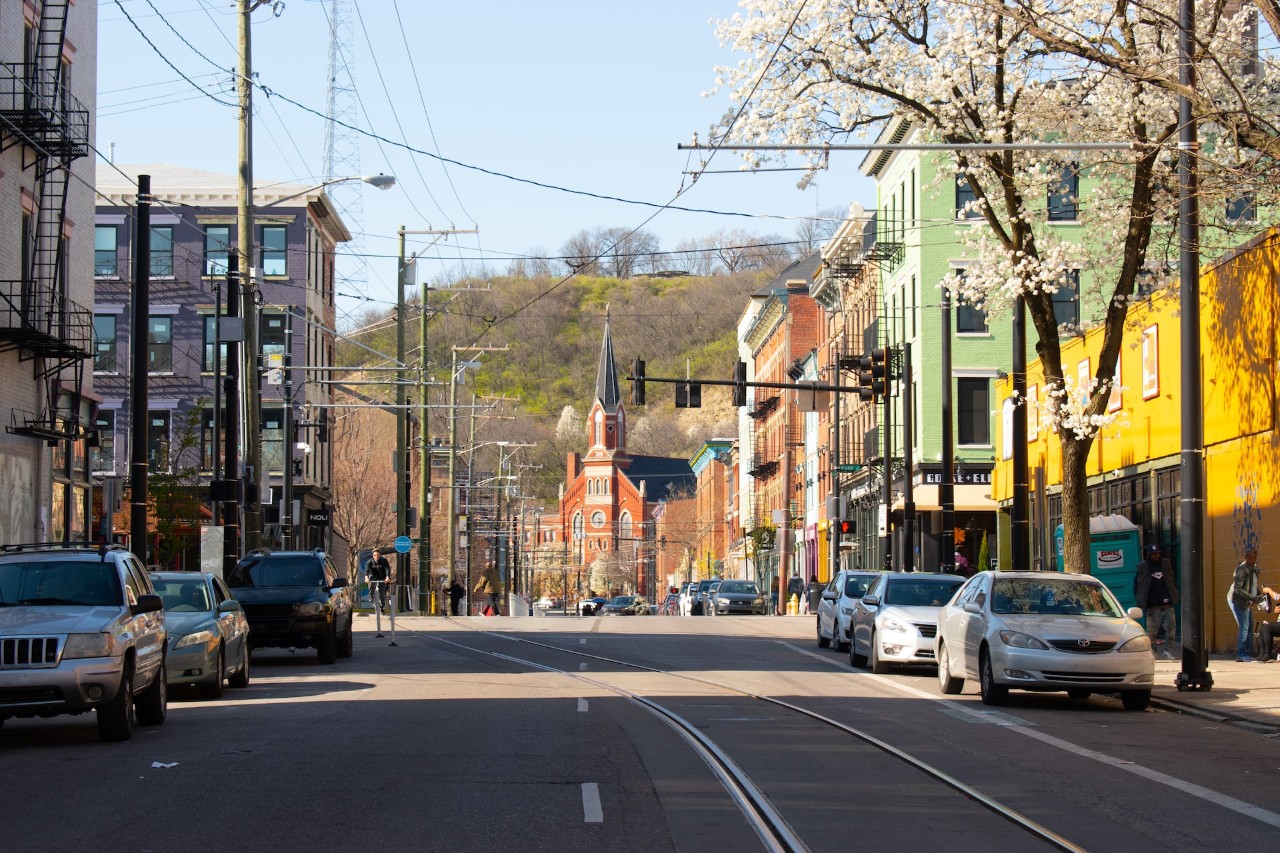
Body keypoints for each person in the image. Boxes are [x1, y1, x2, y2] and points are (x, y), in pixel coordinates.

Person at [1228, 546, 1274, 662]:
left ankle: (1248, 653)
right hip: (1237, 600)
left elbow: (1252, 586)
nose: (1253, 560)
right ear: (1246, 557)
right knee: (1244, 627)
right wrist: (1252, 598)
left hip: (1248, 600)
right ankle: (1241, 654)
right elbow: (1238, 589)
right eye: (1251, 558)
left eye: (1255, 558)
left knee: (1249, 626)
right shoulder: (1242, 570)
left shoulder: (1254, 568)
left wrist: (1258, 598)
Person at [1134, 543, 1179, 659]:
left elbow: (1172, 581)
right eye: (1153, 554)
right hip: (1152, 606)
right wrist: (1141, 599)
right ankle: (1153, 652)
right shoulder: (1143, 567)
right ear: (1149, 555)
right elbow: (1137, 585)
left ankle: (1168, 651)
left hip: (1167, 604)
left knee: (1171, 629)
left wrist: (1174, 594)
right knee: (1151, 633)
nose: (1155, 556)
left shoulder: (1165, 564)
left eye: (1157, 553)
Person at [367, 548, 391, 614]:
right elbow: (367, 571)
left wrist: (387, 577)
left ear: (380, 555)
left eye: (378, 555)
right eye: (375, 555)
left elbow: (387, 569)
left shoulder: (384, 561)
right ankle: (371, 595)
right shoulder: (369, 562)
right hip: (373, 576)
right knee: (371, 582)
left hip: (382, 577)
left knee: (382, 592)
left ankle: (382, 608)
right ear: (372, 555)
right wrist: (366, 578)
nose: (376, 557)